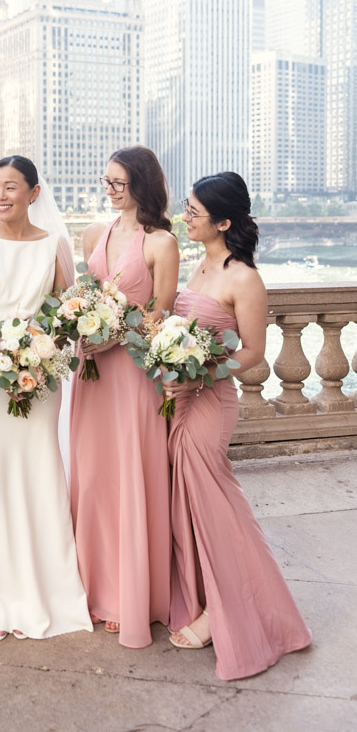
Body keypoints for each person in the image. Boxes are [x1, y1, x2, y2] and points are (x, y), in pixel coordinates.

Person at [166, 171, 311, 680]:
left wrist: (198, 371)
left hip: (211, 404)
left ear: (224, 221)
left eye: (194, 212)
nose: (186, 217)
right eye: (186, 208)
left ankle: (220, 615)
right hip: (182, 399)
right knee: (195, 505)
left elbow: (252, 354)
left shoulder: (244, 277)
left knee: (219, 509)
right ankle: (207, 595)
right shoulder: (199, 265)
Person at [0, 155, 92, 641]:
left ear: (34, 193)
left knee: (38, 469)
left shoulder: (55, 243)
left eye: (11, 187)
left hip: (42, 375)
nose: (0, 196)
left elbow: (65, 312)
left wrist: (36, 354)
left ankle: (46, 591)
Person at [69, 146, 179, 648]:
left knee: (130, 476)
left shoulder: (160, 242)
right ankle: (91, 586)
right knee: (93, 477)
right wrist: (81, 328)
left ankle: (127, 593)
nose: (110, 190)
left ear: (141, 184)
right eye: (106, 180)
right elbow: (81, 297)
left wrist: (117, 333)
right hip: (92, 373)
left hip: (133, 375)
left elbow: (160, 314)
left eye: (118, 182)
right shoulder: (96, 233)